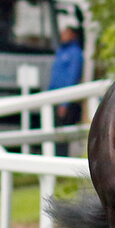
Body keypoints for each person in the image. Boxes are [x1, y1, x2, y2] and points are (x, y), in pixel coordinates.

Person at [49, 23, 84, 157]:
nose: (62, 35)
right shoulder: (61, 51)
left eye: (66, 32)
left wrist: (65, 103)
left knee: (62, 135)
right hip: (54, 99)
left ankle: (61, 161)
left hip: (65, 102)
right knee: (53, 133)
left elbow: (72, 78)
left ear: (73, 35)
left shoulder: (75, 54)